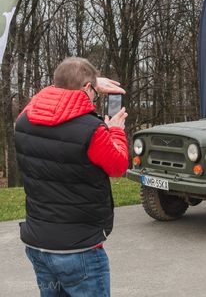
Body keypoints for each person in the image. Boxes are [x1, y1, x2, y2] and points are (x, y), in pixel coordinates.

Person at [14, 57, 129, 296]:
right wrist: (116, 131)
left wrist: (88, 81)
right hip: (80, 250)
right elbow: (118, 167)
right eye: (94, 92)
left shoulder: (23, 120)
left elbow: (41, 101)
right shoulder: (92, 130)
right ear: (87, 88)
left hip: (38, 245)